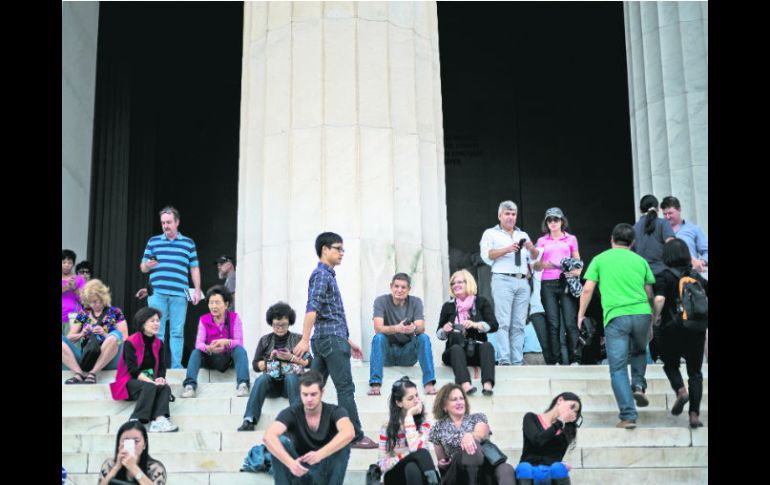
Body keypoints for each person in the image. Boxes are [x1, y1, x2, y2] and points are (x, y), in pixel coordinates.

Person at [292, 232, 378, 448]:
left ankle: (302, 433)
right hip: (329, 341)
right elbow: (313, 307)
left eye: (343, 249)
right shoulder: (322, 275)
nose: (342, 253)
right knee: (345, 389)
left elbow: (328, 314)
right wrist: (303, 338)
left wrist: (347, 341)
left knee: (312, 389)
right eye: (338, 248)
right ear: (325, 250)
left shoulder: (326, 275)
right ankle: (355, 436)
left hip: (327, 339)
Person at [577, 223, 656, 429]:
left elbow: (587, 290)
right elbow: (649, 293)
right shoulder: (640, 261)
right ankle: (638, 384)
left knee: (618, 368)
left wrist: (581, 314)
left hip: (616, 317)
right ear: (633, 242)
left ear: (612, 239)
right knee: (639, 351)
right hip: (641, 314)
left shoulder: (600, 259)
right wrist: (652, 319)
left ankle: (628, 415)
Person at [262, 370, 355, 485]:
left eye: (313, 394)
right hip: (298, 470)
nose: (309, 399)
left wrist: (320, 454)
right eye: (305, 394)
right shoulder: (291, 413)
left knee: (343, 442)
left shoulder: (335, 411)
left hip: (323, 471)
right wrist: (290, 462)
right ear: (300, 394)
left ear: (322, 392)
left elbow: (349, 432)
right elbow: (268, 437)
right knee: (279, 441)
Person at [652, 239, 708, 429]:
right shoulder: (696, 276)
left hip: (672, 328)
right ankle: (694, 415)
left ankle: (680, 390)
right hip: (696, 329)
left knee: (670, 365)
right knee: (695, 373)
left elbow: (659, 298)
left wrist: (655, 318)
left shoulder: (664, 276)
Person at [140, 206, 202, 369]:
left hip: (180, 294)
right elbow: (143, 268)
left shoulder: (188, 243)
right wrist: (147, 265)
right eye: (163, 223)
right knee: (156, 331)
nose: (165, 226)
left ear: (177, 222)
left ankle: (176, 366)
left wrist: (196, 290)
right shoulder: (153, 241)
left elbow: (194, 268)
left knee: (177, 332)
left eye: (168, 222)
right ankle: (157, 365)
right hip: (157, 293)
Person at [479, 200, 540, 366]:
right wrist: (508, 248)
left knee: (519, 324)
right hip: (503, 279)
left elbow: (534, 259)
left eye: (513, 214)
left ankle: (517, 360)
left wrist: (532, 249)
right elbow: (487, 255)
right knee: (503, 322)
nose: (510, 217)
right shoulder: (490, 233)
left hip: (522, 281)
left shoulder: (523, 235)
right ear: (499, 215)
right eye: (507, 214)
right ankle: (505, 359)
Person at [238, 301, 312, 431]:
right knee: (261, 379)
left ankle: (299, 420)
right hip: (271, 384)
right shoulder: (265, 340)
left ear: (289, 322)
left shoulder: (298, 339)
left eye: (283, 325)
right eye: (276, 325)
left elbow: (310, 362)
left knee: (291, 377)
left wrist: (292, 358)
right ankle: (249, 419)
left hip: (292, 384)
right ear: (271, 323)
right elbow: (256, 365)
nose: (279, 328)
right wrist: (266, 362)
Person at [428, 383, 515, 485]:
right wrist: (442, 464)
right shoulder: (437, 428)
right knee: (471, 451)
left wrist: (470, 436)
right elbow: (442, 461)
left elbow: (482, 432)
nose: (459, 402)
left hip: (484, 468)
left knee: (506, 469)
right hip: (457, 473)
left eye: (461, 398)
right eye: (454, 399)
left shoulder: (477, 417)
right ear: (444, 405)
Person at [110, 307, 179, 432]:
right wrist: (151, 382)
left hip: (147, 383)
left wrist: (160, 378)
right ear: (143, 323)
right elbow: (132, 370)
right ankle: (135, 420)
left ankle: (159, 421)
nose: (156, 324)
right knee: (150, 386)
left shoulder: (159, 343)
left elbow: (162, 367)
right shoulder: (130, 342)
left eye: (158, 321)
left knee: (164, 387)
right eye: (152, 321)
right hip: (128, 382)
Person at [368, 273, 437, 396]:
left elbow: (421, 327)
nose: (399, 290)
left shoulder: (416, 302)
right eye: (396, 286)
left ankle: (429, 382)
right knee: (378, 338)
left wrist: (413, 329)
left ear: (409, 289)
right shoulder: (381, 301)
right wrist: (397, 328)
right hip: (387, 354)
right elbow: (378, 328)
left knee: (423, 338)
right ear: (391, 286)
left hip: (407, 354)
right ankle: (375, 383)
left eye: (403, 287)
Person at [181, 285, 250, 398]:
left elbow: (239, 342)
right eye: (211, 303)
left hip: (229, 359)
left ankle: (243, 385)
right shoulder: (204, 319)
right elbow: (199, 343)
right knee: (196, 352)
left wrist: (226, 342)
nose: (214, 306)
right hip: (210, 358)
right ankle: (189, 386)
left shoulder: (234, 318)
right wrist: (208, 348)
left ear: (226, 304)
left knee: (240, 350)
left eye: (217, 302)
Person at [437, 270, 498, 396]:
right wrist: (445, 330)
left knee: (488, 346)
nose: (455, 285)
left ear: (468, 283)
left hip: (476, 349)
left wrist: (475, 325)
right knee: (455, 349)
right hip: (455, 353)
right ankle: (465, 385)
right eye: (453, 283)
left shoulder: (481, 302)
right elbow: (439, 334)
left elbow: (494, 325)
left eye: (459, 282)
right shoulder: (448, 306)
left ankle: (487, 385)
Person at [534, 208, 582, 365]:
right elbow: (536, 265)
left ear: (562, 221)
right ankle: (556, 360)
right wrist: (559, 264)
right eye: (550, 220)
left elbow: (578, 263)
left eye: (556, 219)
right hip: (548, 284)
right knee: (553, 323)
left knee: (570, 322)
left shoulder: (571, 239)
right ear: (546, 223)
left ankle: (576, 359)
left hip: (566, 282)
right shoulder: (542, 241)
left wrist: (574, 273)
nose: (553, 223)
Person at [632, 195, 675, 363]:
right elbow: (671, 244)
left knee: (650, 316)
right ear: (657, 208)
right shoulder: (663, 223)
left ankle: (654, 356)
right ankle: (669, 354)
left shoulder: (635, 227)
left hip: (643, 278)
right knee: (666, 314)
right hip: (663, 274)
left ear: (640, 210)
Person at [62, 279, 128, 384]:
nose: (96, 304)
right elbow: (69, 338)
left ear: (103, 298)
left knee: (116, 334)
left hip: (109, 358)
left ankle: (92, 373)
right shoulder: (83, 314)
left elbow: (125, 340)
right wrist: (82, 334)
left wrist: (105, 334)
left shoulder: (115, 312)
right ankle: (78, 374)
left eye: (98, 301)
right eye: (92, 302)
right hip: (87, 357)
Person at [378, 376, 439, 485]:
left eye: (417, 395)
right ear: (399, 403)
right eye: (410, 398)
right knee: (413, 462)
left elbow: (418, 450)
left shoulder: (426, 420)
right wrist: (404, 457)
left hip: (419, 472)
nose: (416, 401)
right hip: (395, 476)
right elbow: (382, 463)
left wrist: (409, 419)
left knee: (412, 467)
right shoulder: (387, 425)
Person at [515, 392, 582, 485]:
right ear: (560, 400)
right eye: (572, 407)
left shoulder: (566, 431)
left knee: (558, 468)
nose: (572, 412)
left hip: (549, 471)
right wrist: (559, 422)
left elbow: (556, 457)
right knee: (523, 467)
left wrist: (560, 463)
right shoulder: (531, 418)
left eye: (575, 412)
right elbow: (537, 441)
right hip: (529, 469)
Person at [98, 420, 167, 485]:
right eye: (126, 440)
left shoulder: (155, 468)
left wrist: (133, 468)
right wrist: (116, 467)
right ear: (119, 443)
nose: (132, 445)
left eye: (136, 441)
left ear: (144, 444)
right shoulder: (110, 464)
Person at [660, 196, 708, 275]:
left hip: (690, 275)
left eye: (670, 213)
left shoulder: (694, 229)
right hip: (667, 278)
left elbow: (706, 251)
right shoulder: (659, 230)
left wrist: (701, 261)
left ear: (679, 210)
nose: (667, 217)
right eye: (665, 214)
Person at [62, 249, 86, 333]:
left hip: (75, 317)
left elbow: (84, 301)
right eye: (64, 262)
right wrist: (65, 288)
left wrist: (75, 288)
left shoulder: (79, 279)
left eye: (69, 263)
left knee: (73, 344)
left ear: (73, 264)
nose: (66, 265)